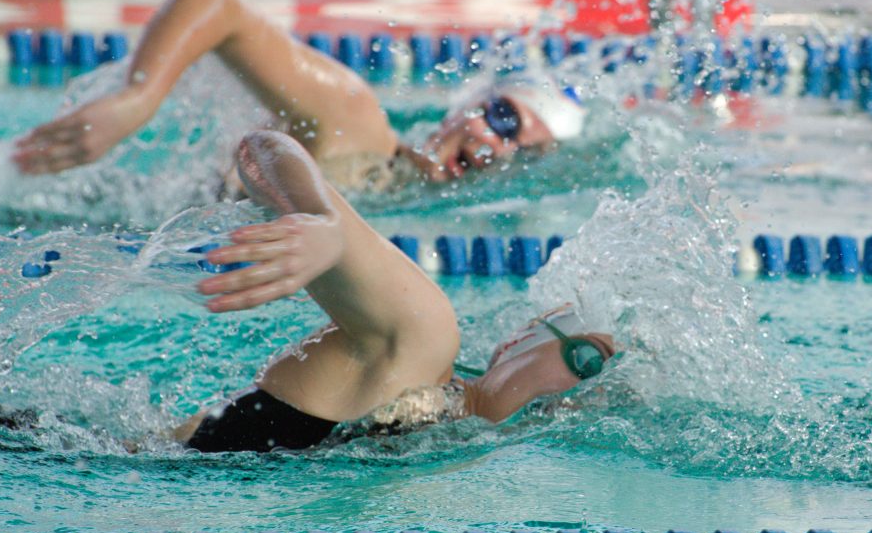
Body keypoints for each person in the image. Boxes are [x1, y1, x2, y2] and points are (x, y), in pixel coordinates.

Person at [172, 129, 615, 453]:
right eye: (588, 359)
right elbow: (264, 147)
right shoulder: (423, 338)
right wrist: (325, 223)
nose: (577, 399)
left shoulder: (443, 451)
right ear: (516, 343)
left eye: (613, 392)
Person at [11, 0, 586, 187]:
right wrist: (139, 98)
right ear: (468, 104)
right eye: (503, 117)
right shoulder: (356, 124)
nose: (495, 148)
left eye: (522, 152)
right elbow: (213, 0)